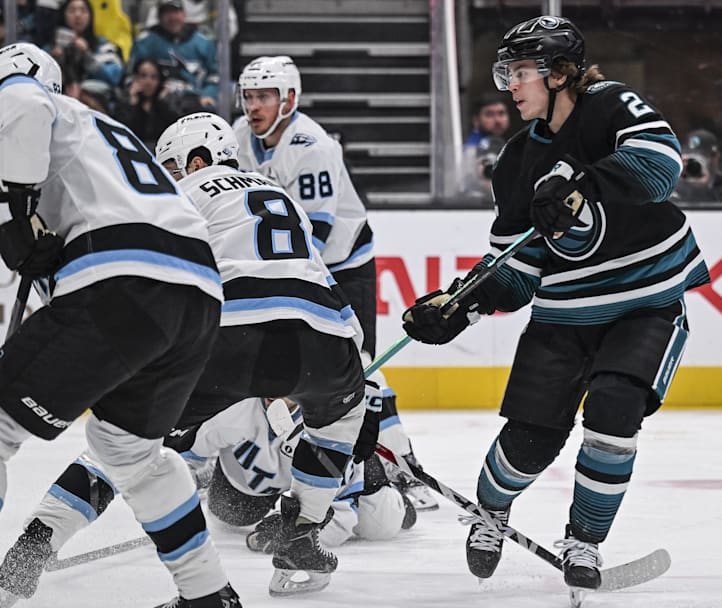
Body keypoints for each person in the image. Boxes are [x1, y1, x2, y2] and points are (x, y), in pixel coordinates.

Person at [0, 111, 383, 601]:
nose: (168, 180)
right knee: (339, 422)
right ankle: (304, 532)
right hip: (325, 336)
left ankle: (34, 546)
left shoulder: (180, 196)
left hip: (228, 332)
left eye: (173, 168)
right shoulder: (284, 197)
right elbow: (322, 287)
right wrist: (353, 392)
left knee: (121, 444)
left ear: (197, 159)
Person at [400, 16, 709, 594]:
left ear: (561, 73)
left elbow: (661, 166)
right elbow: (516, 271)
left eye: (521, 73)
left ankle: (584, 541)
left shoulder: (611, 105)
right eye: (508, 73)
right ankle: (490, 512)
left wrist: (583, 184)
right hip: (566, 314)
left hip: (648, 301)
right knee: (529, 440)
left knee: (616, 411)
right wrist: (463, 305)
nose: (510, 86)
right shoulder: (517, 162)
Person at [0, 43, 240, 607]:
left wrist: (13, 214)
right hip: (198, 297)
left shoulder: (27, 99)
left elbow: (21, 100)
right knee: (128, 451)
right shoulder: (101, 131)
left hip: (123, 283)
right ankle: (208, 594)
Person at [232, 55, 439, 512]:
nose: (254, 106)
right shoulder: (237, 140)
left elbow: (318, 237)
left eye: (264, 96)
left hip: (340, 267)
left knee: (359, 369)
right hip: (289, 269)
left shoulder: (314, 147)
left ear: (288, 99)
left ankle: (404, 465)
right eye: (248, 96)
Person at [169, 397, 415, 548]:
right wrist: (175, 491)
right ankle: (213, 470)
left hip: (317, 480)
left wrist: (293, 531)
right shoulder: (232, 410)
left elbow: (341, 518)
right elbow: (180, 457)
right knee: (228, 514)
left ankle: (379, 481)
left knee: (380, 523)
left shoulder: (326, 417)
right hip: (260, 479)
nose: (274, 391)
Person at [128, 0, 218, 112]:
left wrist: (207, 94)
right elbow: (131, 76)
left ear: (184, 14)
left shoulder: (204, 42)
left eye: (175, 12)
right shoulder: (145, 43)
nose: (172, 17)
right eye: (166, 13)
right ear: (159, 17)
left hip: (196, 101)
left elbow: (215, 76)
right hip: (156, 104)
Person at [46, 0, 123, 99]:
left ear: (90, 15)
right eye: (72, 11)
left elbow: (113, 78)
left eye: (83, 11)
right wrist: (55, 59)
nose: (77, 15)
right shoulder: (51, 48)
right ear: (63, 15)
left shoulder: (104, 46)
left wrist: (87, 54)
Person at [112, 58, 179, 146]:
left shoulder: (166, 103)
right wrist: (133, 103)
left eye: (154, 77)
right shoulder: (124, 102)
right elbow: (121, 133)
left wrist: (163, 103)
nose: (148, 82)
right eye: (143, 76)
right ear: (135, 78)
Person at [673, 128, 722, 202]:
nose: (693, 163)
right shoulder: (676, 185)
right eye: (690, 157)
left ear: (715, 157)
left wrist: (702, 189)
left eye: (701, 157)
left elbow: (720, 215)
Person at [461, 135, 504, 203]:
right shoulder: (461, 198)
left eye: (495, 163)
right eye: (485, 161)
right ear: (475, 164)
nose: (490, 168)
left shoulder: (511, 198)